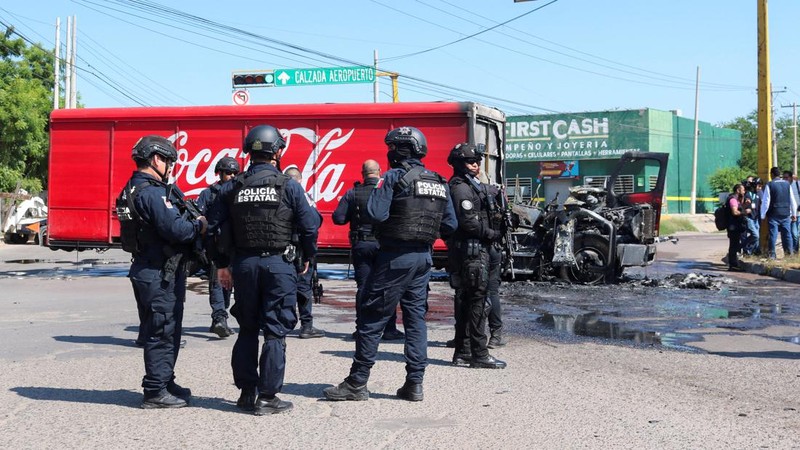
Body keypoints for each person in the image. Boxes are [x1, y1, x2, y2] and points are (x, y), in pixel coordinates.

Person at [323, 126, 457, 402]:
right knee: (415, 319)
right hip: (423, 259)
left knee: (373, 317)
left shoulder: (394, 177)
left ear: (396, 150)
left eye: (391, 147)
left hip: (395, 257)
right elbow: (451, 225)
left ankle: (357, 383)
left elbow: (374, 212)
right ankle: (414, 384)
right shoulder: (439, 181)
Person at [207, 125, 320, 415]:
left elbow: (214, 227)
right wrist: (307, 255)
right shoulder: (288, 185)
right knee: (274, 331)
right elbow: (310, 225)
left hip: (244, 265)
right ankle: (268, 398)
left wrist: (221, 264)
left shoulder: (232, 187)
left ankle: (247, 392)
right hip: (278, 265)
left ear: (249, 151)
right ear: (278, 151)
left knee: (247, 328)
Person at [115, 135, 207, 409]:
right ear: (156, 159)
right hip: (158, 272)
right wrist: (198, 226)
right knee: (162, 331)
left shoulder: (132, 188)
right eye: (168, 161)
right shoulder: (152, 193)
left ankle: (165, 380)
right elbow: (176, 229)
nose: (170, 167)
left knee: (166, 329)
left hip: (150, 268)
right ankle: (155, 391)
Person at [446, 143, 506, 369]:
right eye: (471, 161)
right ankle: (478, 354)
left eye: (478, 161)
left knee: (467, 302)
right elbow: (468, 222)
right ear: (459, 164)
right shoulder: (461, 188)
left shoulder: (473, 185)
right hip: (470, 251)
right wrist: (492, 234)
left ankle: (463, 352)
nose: (476, 164)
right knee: (477, 303)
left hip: (473, 251)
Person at [331, 159, 405, 341]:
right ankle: (389, 329)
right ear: (379, 171)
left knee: (363, 287)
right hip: (384, 246)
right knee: (387, 288)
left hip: (362, 245)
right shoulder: (388, 192)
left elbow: (338, 219)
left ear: (362, 173)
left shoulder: (353, 193)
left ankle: (362, 328)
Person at [196, 157, 238, 338]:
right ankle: (219, 317)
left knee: (228, 284)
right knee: (217, 282)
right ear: (219, 173)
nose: (232, 176)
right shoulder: (208, 194)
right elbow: (200, 220)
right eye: (228, 172)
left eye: (235, 173)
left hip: (235, 247)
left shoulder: (239, 192)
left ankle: (220, 320)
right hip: (215, 246)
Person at [283, 166, 325, 339]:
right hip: (299, 248)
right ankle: (306, 325)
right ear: (300, 180)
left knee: (282, 286)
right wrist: (310, 252)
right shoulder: (304, 197)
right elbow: (314, 223)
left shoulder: (279, 194)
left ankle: (282, 323)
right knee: (303, 287)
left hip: (280, 247)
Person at [760, 167, 797, 258]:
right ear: (779, 174)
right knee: (787, 235)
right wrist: (794, 214)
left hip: (773, 214)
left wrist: (762, 215)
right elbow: (793, 200)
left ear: (771, 174)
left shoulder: (770, 184)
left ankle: (772, 255)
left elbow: (766, 201)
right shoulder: (787, 184)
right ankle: (789, 254)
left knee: (773, 235)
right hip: (785, 214)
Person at [726, 183, 749, 271]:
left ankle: (733, 263)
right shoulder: (733, 199)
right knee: (733, 244)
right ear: (738, 190)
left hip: (735, 225)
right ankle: (733, 264)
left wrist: (744, 206)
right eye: (743, 190)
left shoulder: (737, 200)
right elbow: (735, 212)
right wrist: (745, 212)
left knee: (735, 244)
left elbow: (739, 209)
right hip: (733, 226)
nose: (744, 191)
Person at [742, 176, 761, 256]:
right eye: (759, 186)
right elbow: (742, 204)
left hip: (756, 218)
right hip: (749, 218)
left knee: (757, 236)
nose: (760, 188)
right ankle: (744, 247)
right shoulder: (747, 194)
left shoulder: (757, 195)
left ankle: (752, 252)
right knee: (755, 235)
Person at [783, 170, 800, 252]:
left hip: (797, 213)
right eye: (784, 177)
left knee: (795, 234)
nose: (785, 179)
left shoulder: (797, 184)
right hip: (786, 214)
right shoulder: (782, 186)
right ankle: (790, 251)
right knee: (788, 234)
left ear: (791, 178)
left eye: (787, 177)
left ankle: (795, 250)